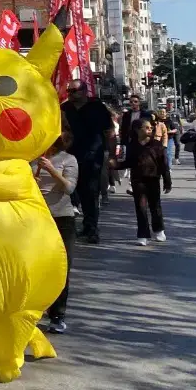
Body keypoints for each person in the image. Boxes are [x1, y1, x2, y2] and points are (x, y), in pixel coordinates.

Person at [32, 132, 78, 334]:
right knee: (35, 267)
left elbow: (69, 188)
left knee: (61, 267)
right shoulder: (32, 159)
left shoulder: (68, 159)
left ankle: (57, 314)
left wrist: (51, 170)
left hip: (62, 218)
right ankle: (34, 310)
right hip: (36, 217)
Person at [61, 80, 115, 244]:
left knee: (90, 192)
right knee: (71, 192)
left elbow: (109, 132)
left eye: (74, 91)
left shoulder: (97, 108)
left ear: (84, 91)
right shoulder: (65, 109)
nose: (70, 94)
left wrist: (111, 155)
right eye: (69, 91)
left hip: (92, 156)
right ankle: (77, 227)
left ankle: (92, 228)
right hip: (69, 156)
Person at [112, 118, 171, 246]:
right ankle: (143, 234)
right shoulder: (130, 145)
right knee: (141, 207)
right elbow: (127, 162)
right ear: (137, 130)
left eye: (151, 128)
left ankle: (159, 230)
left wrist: (167, 181)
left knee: (155, 205)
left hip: (153, 178)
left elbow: (164, 164)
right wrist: (115, 165)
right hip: (138, 180)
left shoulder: (156, 144)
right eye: (147, 127)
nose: (150, 130)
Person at [164, 100, 183, 165]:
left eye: (171, 104)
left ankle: (176, 158)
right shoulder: (164, 111)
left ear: (173, 105)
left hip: (176, 129)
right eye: (168, 104)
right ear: (166, 104)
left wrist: (181, 128)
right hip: (168, 130)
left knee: (177, 144)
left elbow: (179, 120)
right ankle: (168, 158)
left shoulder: (176, 111)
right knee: (168, 146)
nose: (170, 105)